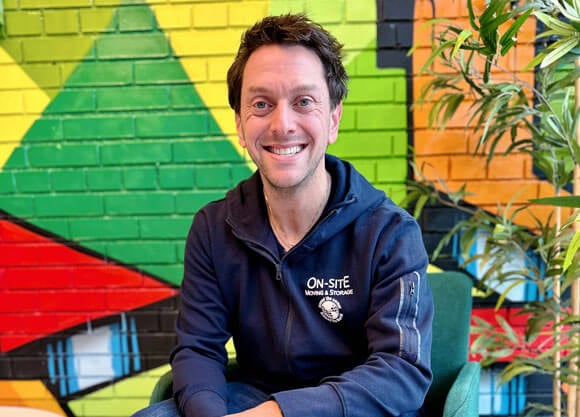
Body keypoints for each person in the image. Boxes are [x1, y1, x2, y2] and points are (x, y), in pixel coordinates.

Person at [133, 13, 433, 417]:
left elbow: (401, 372)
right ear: (240, 125)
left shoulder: (390, 232)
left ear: (333, 119)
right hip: (248, 402)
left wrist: (279, 413)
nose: (282, 123)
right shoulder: (212, 228)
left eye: (303, 102)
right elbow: (198, 349)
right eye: (261, 104)